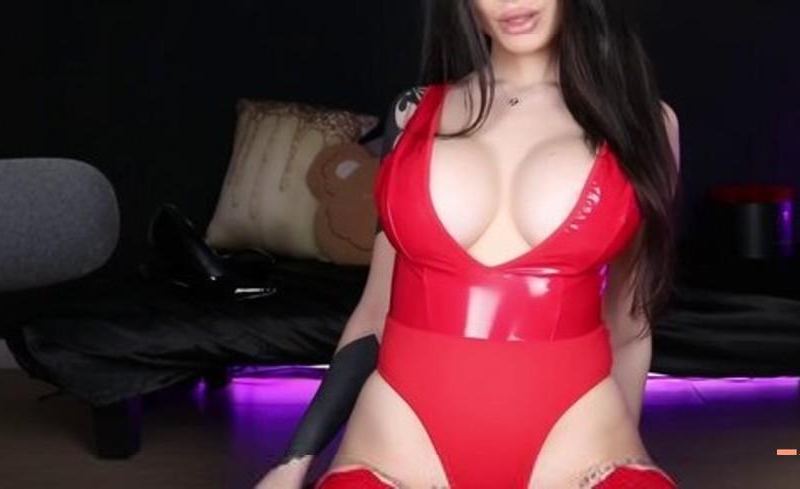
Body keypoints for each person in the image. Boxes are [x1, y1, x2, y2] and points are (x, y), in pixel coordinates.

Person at [256, 0, 681, 487]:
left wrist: (625, 442)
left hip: (579, 450)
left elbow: (629, 323)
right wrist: (293, 462)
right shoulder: (413, 114)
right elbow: (374, 313)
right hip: (396, 451)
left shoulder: (645, 123)